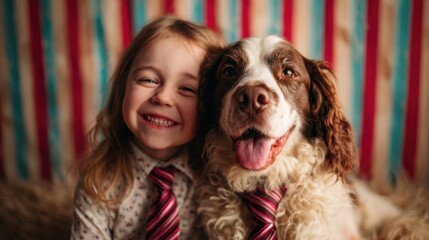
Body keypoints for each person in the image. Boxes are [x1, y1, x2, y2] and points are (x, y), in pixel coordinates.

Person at [71, 16, 224, 240]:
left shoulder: (216, 177)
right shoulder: (99, 181)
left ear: (209, 105)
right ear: (123, 86)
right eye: (148, 80)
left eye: (187, 89)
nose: (163, 97)